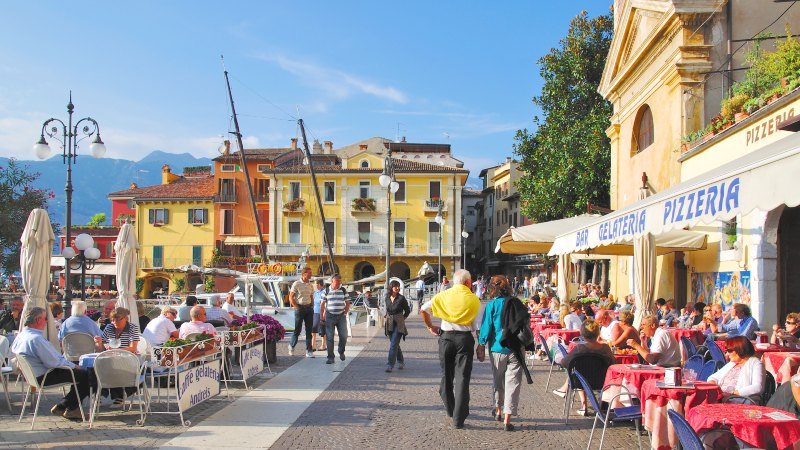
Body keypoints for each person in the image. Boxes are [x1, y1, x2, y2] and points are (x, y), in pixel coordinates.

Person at [420, 269, 482, 429]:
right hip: (464, 339)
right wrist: (481, 345)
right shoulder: (474, 300)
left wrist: (430, 326)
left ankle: (451, 409)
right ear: (468, 283)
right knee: (462, 379)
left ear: (455, 281)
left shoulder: (443, 295)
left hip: (446, 338)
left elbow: (423, 309)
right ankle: (458, 419)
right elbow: (477, 327)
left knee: (446, 376)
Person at [11, 307, 91, 420]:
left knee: (81, 374)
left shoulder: (21, 335)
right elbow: (54, 362)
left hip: (32, 376)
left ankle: (67, 406)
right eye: (45, 318)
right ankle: (68, 407)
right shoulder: (36, 339)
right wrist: (75, 366)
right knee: (87, 375)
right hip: (44, 376)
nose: (46, 321)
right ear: (38, 320)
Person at [477, 275, 524, 431]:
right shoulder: (518, 303)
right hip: (516, 348)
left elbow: (486, 327)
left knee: (498, 380)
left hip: (497, 348)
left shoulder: (492, 305)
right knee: (513, 383)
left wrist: (481, 343)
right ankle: (507, 417)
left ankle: (497, 409)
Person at [552, 319, 615, 415]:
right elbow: (613, 363)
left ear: (583, 334)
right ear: (598, 333)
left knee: (579, 372)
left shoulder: (579, 348)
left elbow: (565, 363)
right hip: (602, 382)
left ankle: (584, 405)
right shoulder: (605, 348)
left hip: (581, 382)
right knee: (582, 372)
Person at [707, 336, 765, 404]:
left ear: (739, 350)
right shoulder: (732, 363)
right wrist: (715, 389)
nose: (727, 354)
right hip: (722, 398)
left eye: (730, 351)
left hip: (738, 401)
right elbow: (713, 377)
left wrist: (732, 393)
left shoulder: (755, 363)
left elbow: (758, 387)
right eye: (726, 351)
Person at [321, 274, 350, 364]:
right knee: (329, 338)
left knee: (344, 336)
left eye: (340, 281)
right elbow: (322, 305)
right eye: (337, 281)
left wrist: (345, 313)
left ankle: (341, 351)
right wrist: (321, 318)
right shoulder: (325, 291)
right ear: (332, 281)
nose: (338, 283)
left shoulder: (343, 290)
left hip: (341, 316)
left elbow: (348, 303)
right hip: (329, 316)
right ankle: (330, 357)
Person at [384, 279, 411, 373]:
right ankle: (401, 361)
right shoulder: (387, 297)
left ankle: (390, 365)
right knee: (394, 344)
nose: (398, 288)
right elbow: (387, 309)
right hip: (389, 322)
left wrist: (402, 319)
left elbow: (407, 310)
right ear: (391, 287)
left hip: (399, 322)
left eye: (399, 286)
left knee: (394, 343)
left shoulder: (401, 298)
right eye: (396, 286)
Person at [289, 267, 315, 358]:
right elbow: (291, 297)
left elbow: (311, 296)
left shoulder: (310, 285)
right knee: (298, 330)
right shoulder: (296, 283)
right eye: (309, 273)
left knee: (309, 330)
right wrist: (296, 307)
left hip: (308, 309)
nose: (311, 275)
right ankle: (291, 346)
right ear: (304, 274)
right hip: (299, 308)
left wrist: (312, 305)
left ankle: (309, 350)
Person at [312, 279, 326, 352]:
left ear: (319, 284)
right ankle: (313, 346)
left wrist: (323, 315)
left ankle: (323, 345)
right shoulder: (316, 293)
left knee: (322, 329)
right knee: (313, 329)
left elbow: (325, 304)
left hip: (321, 313)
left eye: (315, 284)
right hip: (314, 312)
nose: (314, 285)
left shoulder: (324, 292)